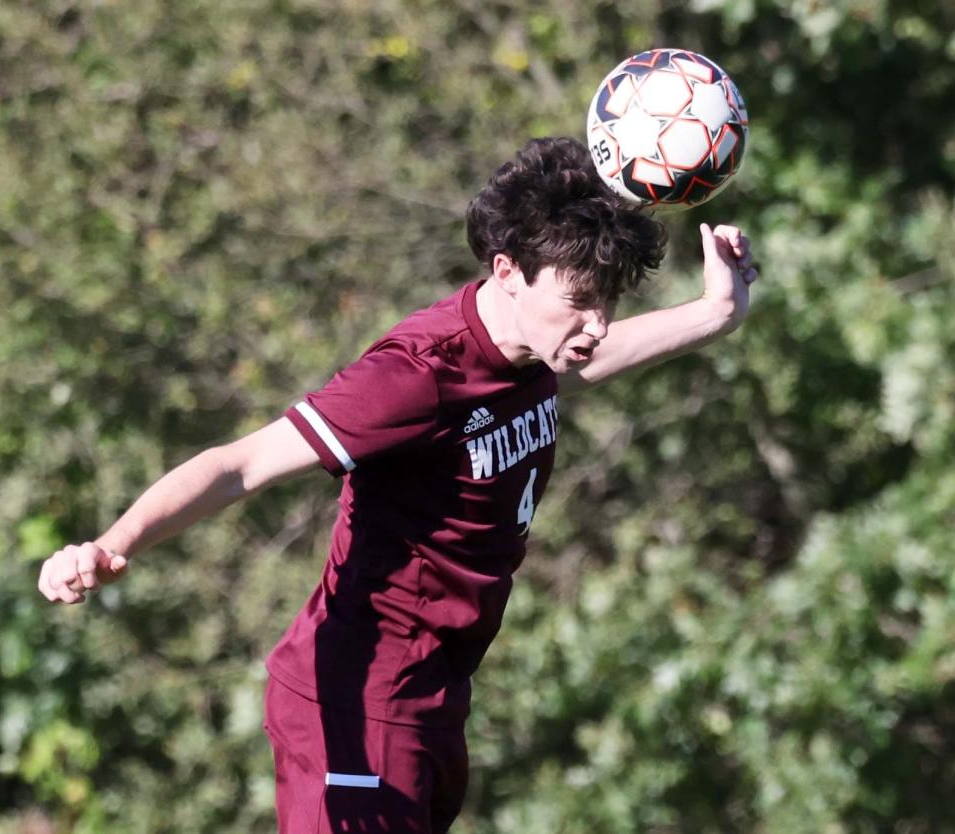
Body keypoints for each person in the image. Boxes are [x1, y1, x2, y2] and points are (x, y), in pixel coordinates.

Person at [37, 137, 757, 833]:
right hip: (353, 709)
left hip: (431, 704)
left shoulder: (539, 347)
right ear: (507, 270)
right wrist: (112, 543)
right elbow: (240, 465)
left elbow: (594, 356)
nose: (597, 325)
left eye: (607, 301)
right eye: (579, 302)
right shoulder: (413, 377)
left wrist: (716, 311)